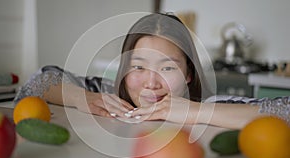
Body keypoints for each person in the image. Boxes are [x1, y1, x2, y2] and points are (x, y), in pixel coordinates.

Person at [14, 13, 289, 129]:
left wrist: (196, 112)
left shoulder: (206, 108)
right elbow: (36, 83)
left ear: (189, 74)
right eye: (138, 67)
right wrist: (81, 98)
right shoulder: (107, 95)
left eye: (167, 67)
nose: (150, 82)